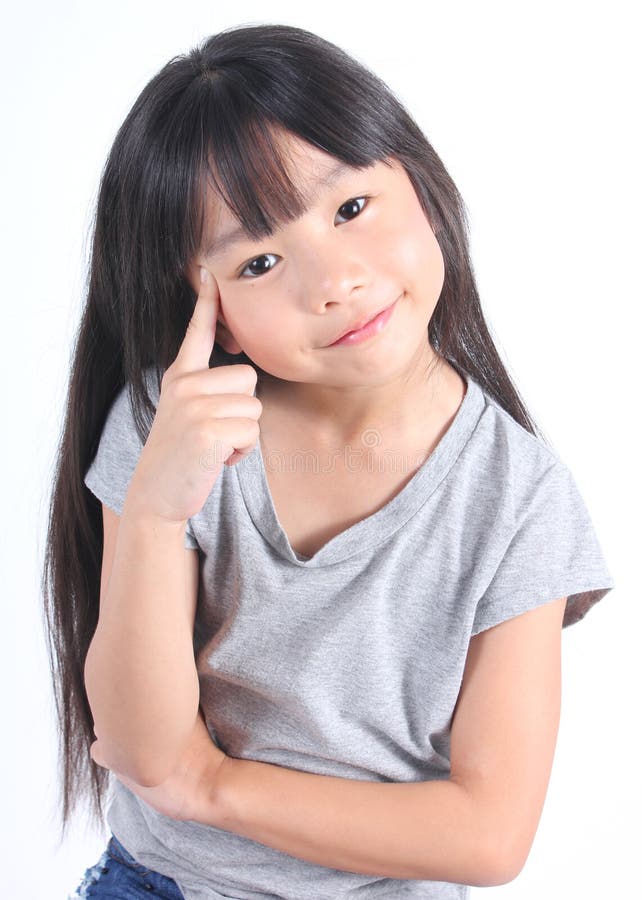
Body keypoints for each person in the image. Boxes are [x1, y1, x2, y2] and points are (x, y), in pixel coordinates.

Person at [43, 22, 615, 900]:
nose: (333, 282)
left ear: (419, 183)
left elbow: (490, 836)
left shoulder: (519, 499)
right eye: (260, 261)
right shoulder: (177, 426)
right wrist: (155, 508)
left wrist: (215, 787)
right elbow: (141, 749)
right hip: (163, 884)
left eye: (350, 210)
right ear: (214, 313)